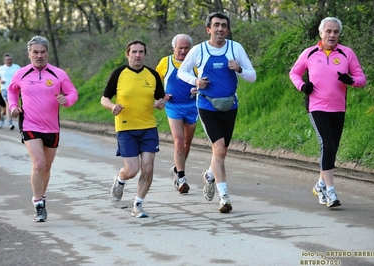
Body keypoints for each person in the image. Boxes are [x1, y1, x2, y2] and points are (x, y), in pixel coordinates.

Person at [177, 12, 257, 213]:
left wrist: (239, 69)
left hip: (230, 105)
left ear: (227, 30)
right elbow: (181, 72)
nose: (220, 29)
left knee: (222, 151)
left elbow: (252, 76)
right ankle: (224, 198)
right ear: (208, 29)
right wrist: (195, 81)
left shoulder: (235, 48)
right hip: (206, 105)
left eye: (224, 25)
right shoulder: (199, 50)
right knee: (219, 149)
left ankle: (210, 175)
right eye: (216, 25)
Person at [289, 17, 366, 208]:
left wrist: (351, 81)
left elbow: (361, 79)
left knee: (332, 149)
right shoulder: (310, 53)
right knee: (327, 144)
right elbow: (294, 73)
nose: (332, 35)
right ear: (321, 32)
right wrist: (302, 86)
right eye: (328, 31)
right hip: (317, 106)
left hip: (338, 107)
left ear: (339, 34)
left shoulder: (347, 53)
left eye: (336, 32)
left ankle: (321, 184)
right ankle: (331, 192)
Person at [8, 35, 78, 222]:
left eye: (42, 52)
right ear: (29, 54)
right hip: (30, 124)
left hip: (52, 127)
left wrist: (67, 100)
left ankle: (42, 197)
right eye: (35, 52)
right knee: (38, 164)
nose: (39, 55)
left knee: (47, 166)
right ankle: (38, 204)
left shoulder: (58, 74)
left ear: (47, 53)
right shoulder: (21, 73)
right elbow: (12, 90)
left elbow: (72, 93)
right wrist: (13, 107)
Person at [101, 40, 167, 218]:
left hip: (148, 127)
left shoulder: (152, 75)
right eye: (134, 52)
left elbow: (160, 100)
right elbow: (104, 98)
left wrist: (161, 103)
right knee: (132, 170)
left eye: (141, 52)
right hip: (126, 128)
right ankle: (120, 179)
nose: (137, 55)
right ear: (127, 54)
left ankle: (138, 204)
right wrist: (112, 106)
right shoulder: (119, 74)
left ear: (144, 54)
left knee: (148, 168)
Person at [156, 34, 198, 194]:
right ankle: (181, 178)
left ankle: (176, 168)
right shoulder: (165, 62)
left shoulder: (195, 62)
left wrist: (198, 88)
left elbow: (204, 81)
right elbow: (153, 81)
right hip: (173, 107)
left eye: (186, 48)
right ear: (174, 48)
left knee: (187, 144)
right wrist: (161, 95)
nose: (183, 51)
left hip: (192, 106)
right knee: (179, 142)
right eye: (180, 48)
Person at [0, 53, 21, 130]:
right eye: (7, 60)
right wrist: (0, 81)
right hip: (5, 89)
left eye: (10, 59)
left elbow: (22, 76)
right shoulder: (2, 68)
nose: (9, 61)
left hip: (16, 89)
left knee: (16, 105)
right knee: (9, 104)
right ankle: (10, 123)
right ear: (4, 61)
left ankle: (4, 116)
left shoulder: (16, 67)